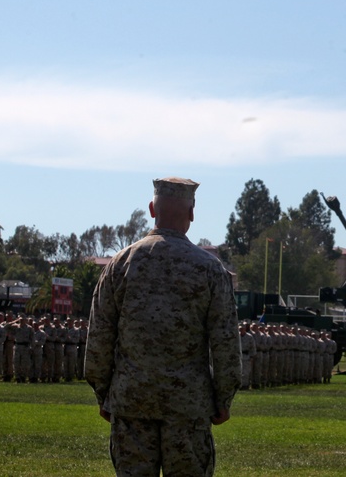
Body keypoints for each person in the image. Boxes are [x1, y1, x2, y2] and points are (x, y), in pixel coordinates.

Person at [85, 177, 241, 476]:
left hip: (132, 403)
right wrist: (224, 397)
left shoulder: (120, 264)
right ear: (192, 213)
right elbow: (225, 342)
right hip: (188, 407)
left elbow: (100, 336)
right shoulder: (209, 269)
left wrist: (104, 393)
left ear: (151, 209)